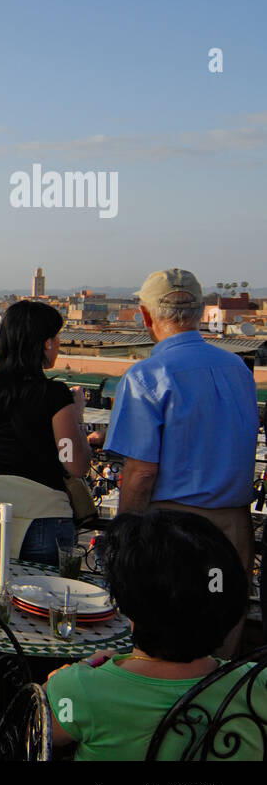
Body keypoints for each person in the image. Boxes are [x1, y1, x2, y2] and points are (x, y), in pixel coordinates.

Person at [105, 268, 258, 657]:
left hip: (173, 533)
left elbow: (141, 472)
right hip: (234, 527)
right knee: (220, 647)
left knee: (166, 649)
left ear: (145, 315)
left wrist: (124, 539)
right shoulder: (239, 370)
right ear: (202, 310)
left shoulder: (146, 375)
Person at [47, 508, 265, 760]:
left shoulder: (79, 689)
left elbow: (32, 727)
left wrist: (86, 665)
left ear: (127, 604)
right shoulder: (257, 684)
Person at [0, 300, 89, 564]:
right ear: (45, 343)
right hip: (40, 514)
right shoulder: (55, 395)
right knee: (37, 602)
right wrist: (77, 417)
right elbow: (74, 463)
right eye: (56, 338)